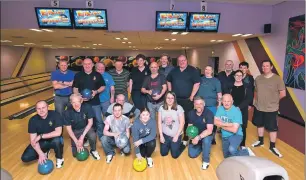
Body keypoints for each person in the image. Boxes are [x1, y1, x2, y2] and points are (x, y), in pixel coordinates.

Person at [251, 60, 286, 158]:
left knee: (272, 128)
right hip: (259, 107)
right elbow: (256, 91)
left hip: (271, 108)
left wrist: (274, 101)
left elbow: (283, 94)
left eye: (267, 66)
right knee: (259, 124)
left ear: (271, 67)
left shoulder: (277, 79)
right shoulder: (258, 78)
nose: (265, 68)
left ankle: (272, 147)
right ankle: (260, 141)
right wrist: (255, 101)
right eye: (263, 66)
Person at [167, 55, 200, 145]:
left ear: (187, 61)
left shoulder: (193, 70)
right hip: (175, 100)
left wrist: (192, 96)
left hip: (187, 100)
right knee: (175, 117)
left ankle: (185, 136)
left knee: (187, 118)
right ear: (178, 62)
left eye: (183, 60)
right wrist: (170, 92)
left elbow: (197, 83)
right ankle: (174, 134)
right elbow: (168, 80)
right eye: (180, 61)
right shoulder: (174, 71)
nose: (182, 62)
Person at [21, 101, 64, 168]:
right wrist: (40, 153)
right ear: (36, 110)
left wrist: (41, 136)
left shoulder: (55, 115)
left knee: (57, 140)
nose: (41, 110)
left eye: (43, 107)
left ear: (47, 107)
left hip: (54, 139)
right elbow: (33, 140)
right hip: (42, 142)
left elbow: (58, 132)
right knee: (25, 158)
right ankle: (45, 151)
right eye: (39, 108)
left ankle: (59, 158)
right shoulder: (32, 120)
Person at [73, 58, 106, 140]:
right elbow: (75, 88)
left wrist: (96, 92)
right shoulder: (78, 75)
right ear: (83, 65)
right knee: (84, 121)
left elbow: (103, 86)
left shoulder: (98, 75)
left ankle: (101, 137)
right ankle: (87, 138)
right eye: (85, 64)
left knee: (98, 120)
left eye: (89, 64)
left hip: (95, 102)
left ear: (92, 65)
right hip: (82, 103)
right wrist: (79, 97)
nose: (87, 65)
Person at [64, 93, 100, 160]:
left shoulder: (87, 107)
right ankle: (81, 143)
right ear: (71, 103)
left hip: (86, 128)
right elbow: (69, 129)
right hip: (75, 130)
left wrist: (82, 137)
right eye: (73, 102)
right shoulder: (67, 112)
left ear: (81, 101)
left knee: (92, 135)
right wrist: (76, 141)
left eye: (78, 102)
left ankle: (93, 150)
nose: (76, 104)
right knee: (75, 154)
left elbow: (90, 123)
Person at [196, 65, 222, 145]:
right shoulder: (200, 79)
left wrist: (219, 105)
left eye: (209, 70)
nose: (207, 71)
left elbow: (219, 94)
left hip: (212, 105)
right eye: (206, 69)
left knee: (212, 122)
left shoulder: (216, 81)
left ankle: (213, 138)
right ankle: (200, 137)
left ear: (212, 71)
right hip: (200, 105)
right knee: (200, 122)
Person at [187, 96, 214, 170]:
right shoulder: (191, 113)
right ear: (194, 105)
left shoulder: (209, 113)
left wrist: (198, 137)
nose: (199, 106)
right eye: (197, 104)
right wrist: (191, 137)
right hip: (196, 135)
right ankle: (203, 147)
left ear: (204, 104)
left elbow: (209, 130)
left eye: (201, 104)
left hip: (206, 135)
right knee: (191, 154)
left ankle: (206, 161)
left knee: (206, 141)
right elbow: (189, 127)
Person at [229, 70, 253, 148]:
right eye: (237, 75)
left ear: (243, 77)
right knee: (231, 126)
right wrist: (232, 107)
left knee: (242, 127)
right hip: (231, 109)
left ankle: (242, 145)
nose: (238, 77)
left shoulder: (247, 86)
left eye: (240, 75)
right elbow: (227, 97)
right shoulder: (230, 86)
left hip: (242, 110)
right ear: (234, 76)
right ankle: (231, 143)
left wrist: (239, 107)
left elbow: (248, 99)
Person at [158, 91, 185, 159]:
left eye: (172, 98)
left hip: (176, 134)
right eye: (168, 98)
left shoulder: (179, 108)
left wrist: (176, 136)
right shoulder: (161, 108)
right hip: (165, 135)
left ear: (174, 99)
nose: (170, 100)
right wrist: (161, 136)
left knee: (174, 155)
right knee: (163, 153)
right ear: (165, 99)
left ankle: (183, 144)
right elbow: (159, 122)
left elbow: (182, 123)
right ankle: (170, 145)